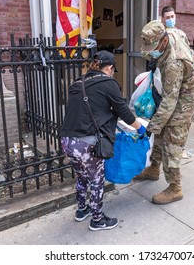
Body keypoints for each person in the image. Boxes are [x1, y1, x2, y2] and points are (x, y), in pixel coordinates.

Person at [60, 50, 146, 231]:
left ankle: (82, 210)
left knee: (82, 176)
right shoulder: (108, 83)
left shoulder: (77, 82)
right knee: (97, 180)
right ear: (110, 68)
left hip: (67, 141)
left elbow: (87, 109)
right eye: (113, 70)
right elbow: (123, 110)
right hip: (87, 143)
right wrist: (140, 128)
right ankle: (97, 219)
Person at [134, 20, 194, 205]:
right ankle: (154, 169)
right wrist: (156, 126)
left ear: (163, 41)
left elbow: (170, 102)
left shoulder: (173, 63)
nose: (151, 50)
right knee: (160, 132)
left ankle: (175, 188)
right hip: (175, 94)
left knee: (172, 141)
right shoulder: (172, 32)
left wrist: (151, 126)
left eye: (154, 46)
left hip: (184, 101)